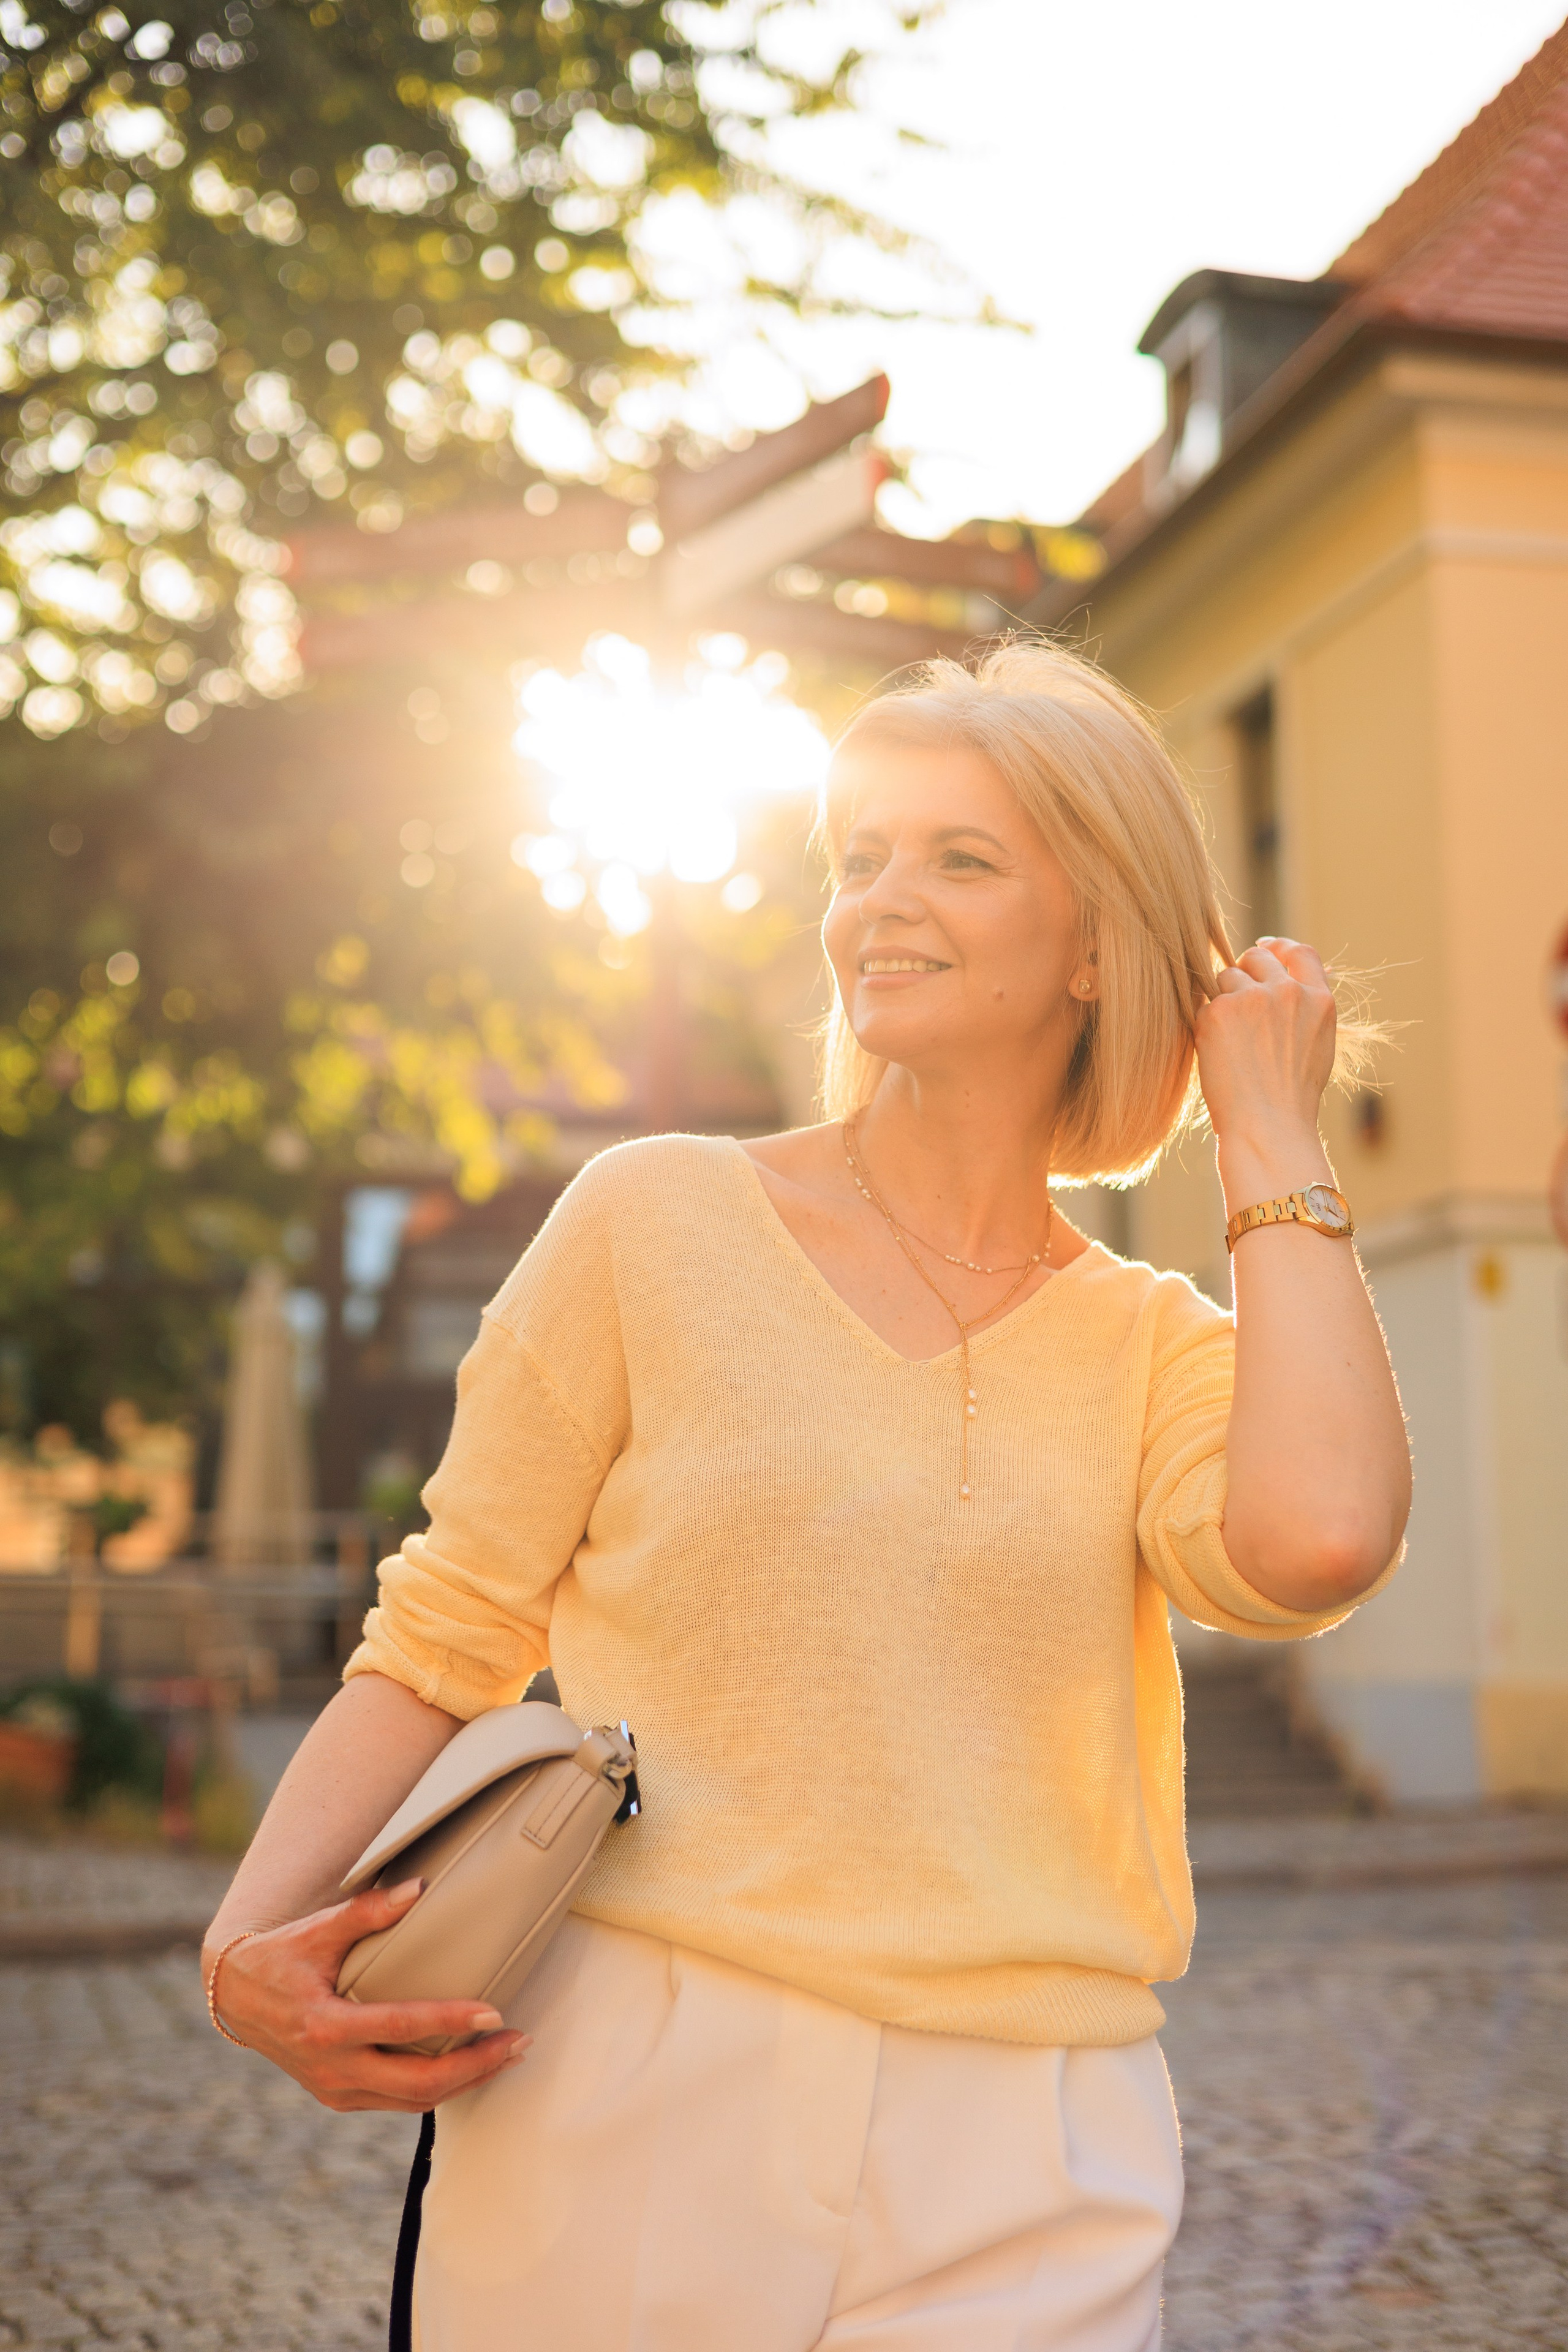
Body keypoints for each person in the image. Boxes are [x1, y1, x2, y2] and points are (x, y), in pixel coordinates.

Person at [202, 641, 1411, 2351]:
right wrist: (248, 1943)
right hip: (632, 2082)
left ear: (1095, 943)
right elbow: (443, 1633)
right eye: (858, 856)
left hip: (1038, 2130)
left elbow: (1321, 1543)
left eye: (960, 858)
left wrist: (1273, 1136)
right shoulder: (652, 1220)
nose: (875, 904)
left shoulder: (1157, 1348)